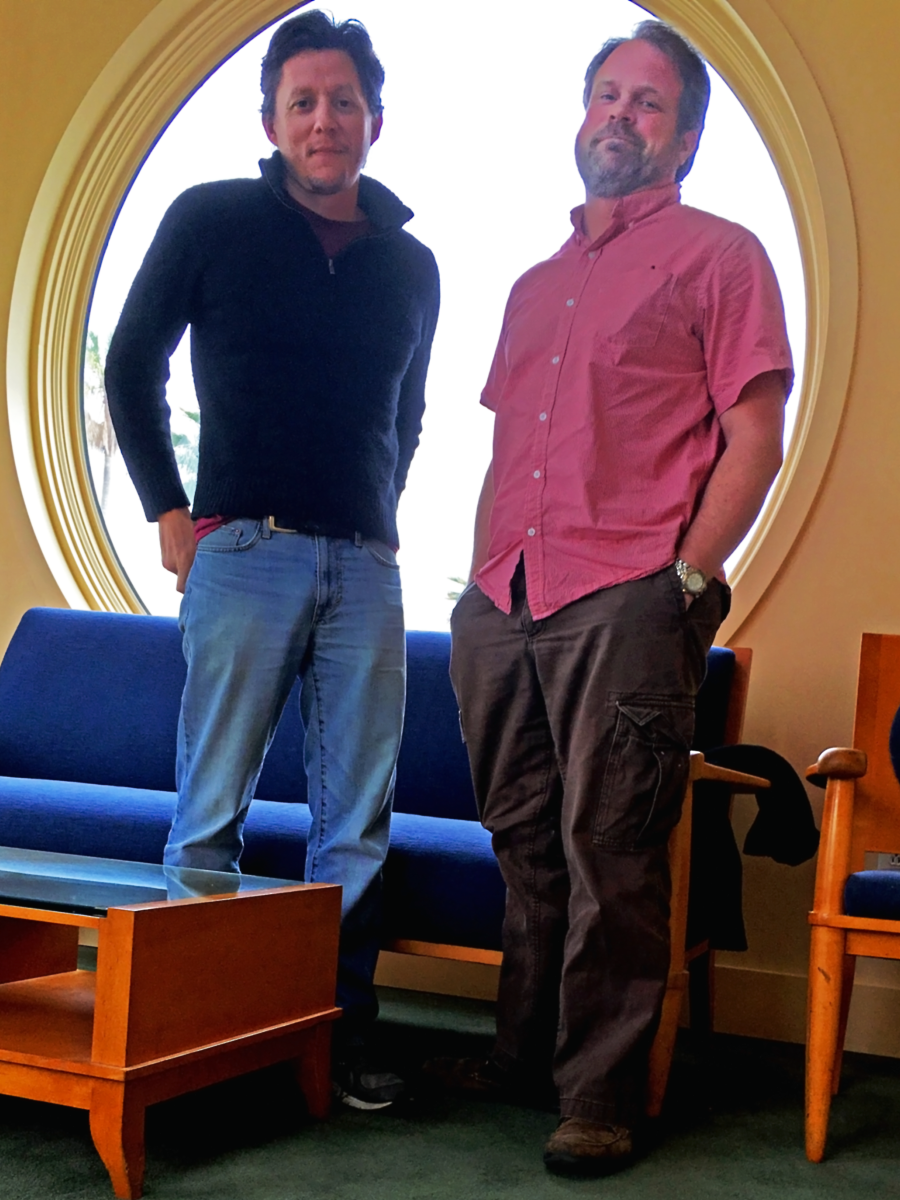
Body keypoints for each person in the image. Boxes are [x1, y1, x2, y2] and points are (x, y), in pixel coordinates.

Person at [446, 19, 792, 1175]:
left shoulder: (722, 256)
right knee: (524, 840)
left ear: (684, 138)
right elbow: (508, 448)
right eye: (606, 94)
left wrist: (683, 578)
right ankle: (523, 1056)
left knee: (613, 846)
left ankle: (599, 1096)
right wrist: (479, 576)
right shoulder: (534, 286)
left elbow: (756, 436)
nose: (620, 115)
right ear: (581, 115)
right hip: (505, 596)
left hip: (629, 591)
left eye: (648, 102)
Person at [105, 10, 439, 1111]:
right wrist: (168, 508)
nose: (324, 120)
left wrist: (377, 518)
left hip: (368, 567)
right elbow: (130, 362)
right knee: (211, 811)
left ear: (375, 119)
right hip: (242, 549)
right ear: (272, 122)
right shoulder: (211, 218)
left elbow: (408, 416)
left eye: (344, 101)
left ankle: (333, 1040)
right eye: (303, 102)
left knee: (358, 825)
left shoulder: (412, 265)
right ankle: (194, 1038)